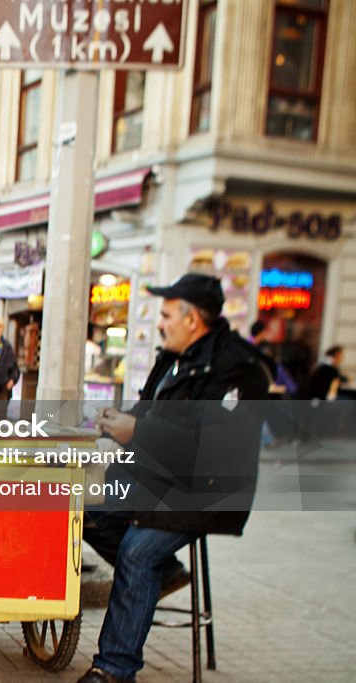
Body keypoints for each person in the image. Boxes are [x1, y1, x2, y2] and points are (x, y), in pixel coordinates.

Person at [77, 273, 270, 683]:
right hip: (155, 481)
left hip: (202, 494)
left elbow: (215, 453)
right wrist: (119, 424)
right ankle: (164, 574)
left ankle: (114, 668)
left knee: (138, 550)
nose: (159, 323)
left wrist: (139, 432)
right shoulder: (172, 356)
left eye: (165, 315)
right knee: (84, 509)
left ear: (193, 319)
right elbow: (148, 416)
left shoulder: (237, 369)